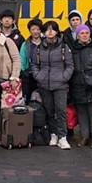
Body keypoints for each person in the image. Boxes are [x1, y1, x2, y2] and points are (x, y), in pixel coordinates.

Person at [31, 21, 74, 149]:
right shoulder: (39, 48)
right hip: (44, 84)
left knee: (60, 111)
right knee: (49, 111)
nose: (50, 32)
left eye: (53, 29)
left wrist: (63, 77)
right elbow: (34, 64)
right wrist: (38, 76)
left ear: (57, 31)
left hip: (60, 85)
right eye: (47, 29)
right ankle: (53, 134)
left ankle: (63, 137)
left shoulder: (63, 47)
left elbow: (70, 65)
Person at [19, 18, 43, 101]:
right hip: (30, 77)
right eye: (33, 29)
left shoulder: (46, 43)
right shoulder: (25, 44)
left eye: (38, 29)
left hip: (44, 75)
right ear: (29, 30)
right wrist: (24, 72)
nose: (35, 31)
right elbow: (22, 61)